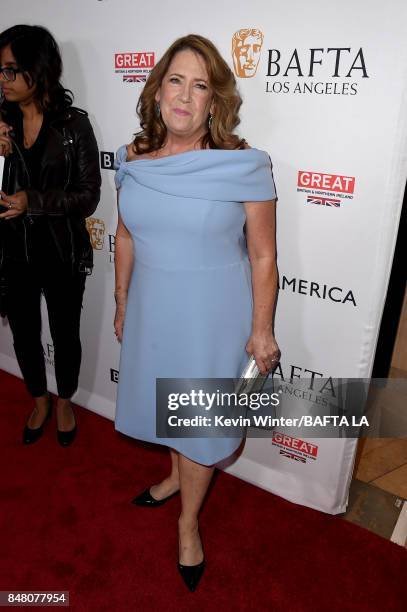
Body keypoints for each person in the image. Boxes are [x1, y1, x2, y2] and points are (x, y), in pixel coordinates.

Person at [113, 34, 280, 592]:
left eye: (200, 85)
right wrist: (121, 302)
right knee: (168, 407)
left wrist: (261, 330)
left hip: (213, 316)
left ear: (216, 101)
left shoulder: (243, 167)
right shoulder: (134, 160)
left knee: (201, 425)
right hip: (153, 310)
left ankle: (188, 524)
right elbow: (125, 235)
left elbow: (262, 254)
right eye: (176, 80)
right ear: (158, 90)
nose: (185, 95)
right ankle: (171, 478)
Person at [0, 25, 101, 446]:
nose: (2, 80)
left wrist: (33, 201)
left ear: (37, 71)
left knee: (65, 334)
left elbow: (88, 197)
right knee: (23, 334)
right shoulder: (1, 119)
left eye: (9, 71)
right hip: (13, 252)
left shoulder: (74, 126)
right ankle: (38, 398)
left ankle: (64, 400)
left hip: (61, 251)